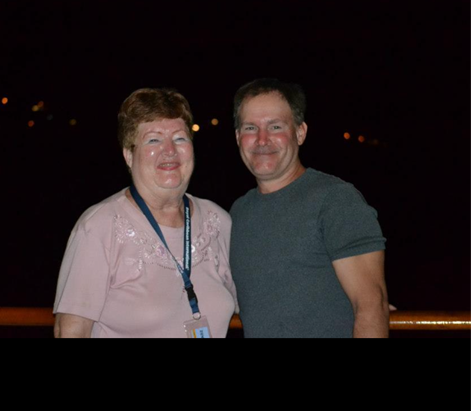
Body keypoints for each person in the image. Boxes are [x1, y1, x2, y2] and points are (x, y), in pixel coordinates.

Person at [53, 88, 237, 338]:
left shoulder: (219, 223)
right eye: (153, 139)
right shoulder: (100, 226)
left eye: (180, 138)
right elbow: (71, 332)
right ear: (129, 155)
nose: (169, 150)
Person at [229, 78, 389, 338]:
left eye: (275, 126)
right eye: (250, 127)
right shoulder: (238, 212)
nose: (262, 139)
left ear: (300, 133)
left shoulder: (336, 201)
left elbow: (371, 306)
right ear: (238, 137)